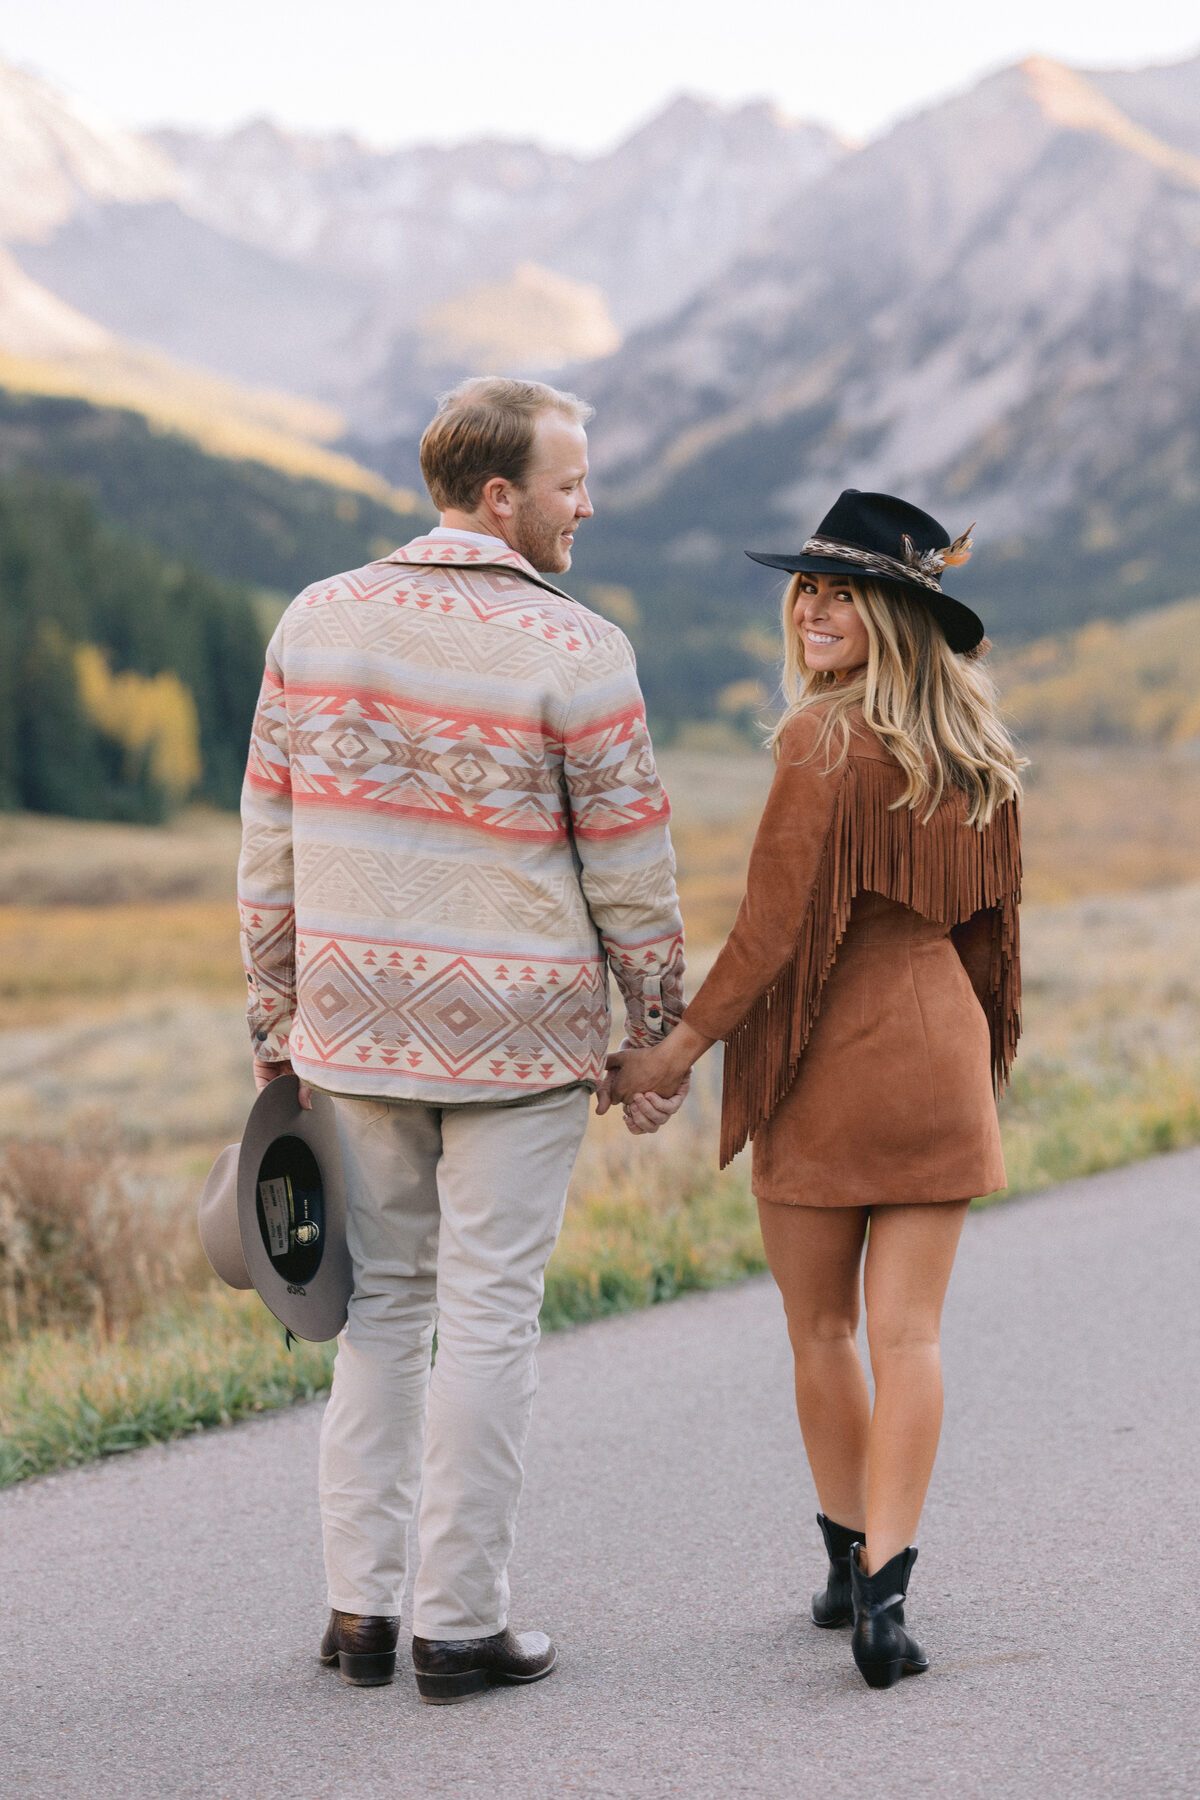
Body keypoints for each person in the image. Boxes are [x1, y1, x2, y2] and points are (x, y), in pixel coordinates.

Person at [237, 376, 686, 1704]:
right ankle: (461, 1625)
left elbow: (268, 846)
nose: (585, 506)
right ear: (501, 496)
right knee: (490, 1317)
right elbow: (631, 866)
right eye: (569, 484)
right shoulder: (579, 646)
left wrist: (275, 1016)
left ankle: (360, 1614)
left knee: (379, 1315)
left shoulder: (315, 619)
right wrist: (654, 1028)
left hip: (356, 1028)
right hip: (518, 1041)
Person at [608, 489, 1024, 1689]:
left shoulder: (818, 741)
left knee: (828, 1329)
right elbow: (997, 945)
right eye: (808, 588)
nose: (816, 608)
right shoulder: (978, 757)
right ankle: (887, 1595)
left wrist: (673, 1057)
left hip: (827, 1058)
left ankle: (849, 1568)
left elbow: (770, 937)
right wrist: (978, 1068)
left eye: (846, 591)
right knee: (913, 1336)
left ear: (899, 616)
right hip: (940, 1050)